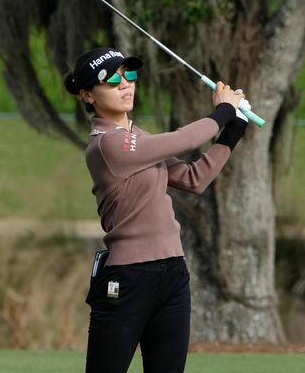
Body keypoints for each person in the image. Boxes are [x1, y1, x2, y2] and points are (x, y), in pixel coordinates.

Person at [64, 47, 249, 373]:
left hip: (172, 274)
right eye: (112, 79)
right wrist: (222, 112)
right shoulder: (106, 145)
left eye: (129, 75)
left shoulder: (139, 139)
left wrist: (232, 131)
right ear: (87, 95)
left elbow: (194, 179)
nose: (125, 84)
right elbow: (182, 139)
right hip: (128, 278)